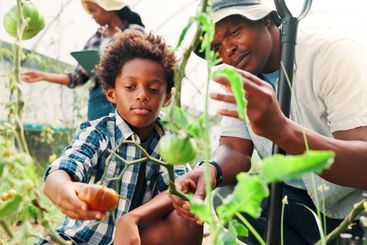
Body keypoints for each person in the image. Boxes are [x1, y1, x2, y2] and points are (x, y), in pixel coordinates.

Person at [170, 0, 367, 244]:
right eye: (216, 46)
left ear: (265, 18)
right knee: (227, 195)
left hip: (350, 209)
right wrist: (212, 169)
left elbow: (363, 166)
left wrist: (283, 131)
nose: (228, 50)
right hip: (291, 200)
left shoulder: (329, 53)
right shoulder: (238, 76)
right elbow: (234, 148)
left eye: (234, 32)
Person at [39, 30, 203, 245]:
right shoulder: (99, 133)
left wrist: (133, 218)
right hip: (77, 240)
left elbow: (178, 187)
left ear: (167, 97)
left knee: (189, 217)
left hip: (132, 239)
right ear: (111, 94)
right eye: (130, 87)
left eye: (153, 89)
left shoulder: (170, 141)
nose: (142, 95)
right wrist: (64, 190)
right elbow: (63, 168)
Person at [21, 0, 145, 120]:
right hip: (97, 98)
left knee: (125, 138)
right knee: (98, 138)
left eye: (93, 11)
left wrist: (122, 40)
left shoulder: (134, 30)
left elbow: (144, 61)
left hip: (125, 93)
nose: (92, 16)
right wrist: (43, 76)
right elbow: (78, 77)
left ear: (107, 7)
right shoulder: (94, 40)